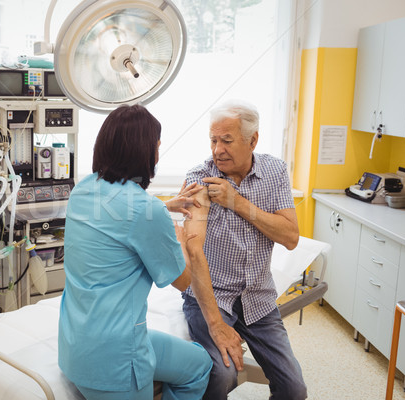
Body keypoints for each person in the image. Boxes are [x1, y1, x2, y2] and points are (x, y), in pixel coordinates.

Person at [58, 104, 212, 400]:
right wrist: (184, 235)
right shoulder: (145, 209)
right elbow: (182, 281)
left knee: (198, 362)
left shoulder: (83, 189)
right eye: (156, 148)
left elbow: (116, 217)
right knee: (200, 368)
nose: (157, 155)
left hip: (74, 346)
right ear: (144, 153)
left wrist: (164, 208)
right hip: (114, 362)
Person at [182, 99, 306, 400]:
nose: (217, 150)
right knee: (221, 376)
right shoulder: (201, 177)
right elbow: (192, 250)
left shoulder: (274, 171)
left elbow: (290, 236)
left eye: (227, 140)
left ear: (253, 140)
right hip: (214, 297)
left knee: (294, 389)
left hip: (258, 299)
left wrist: (236, 202)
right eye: (213, 140)